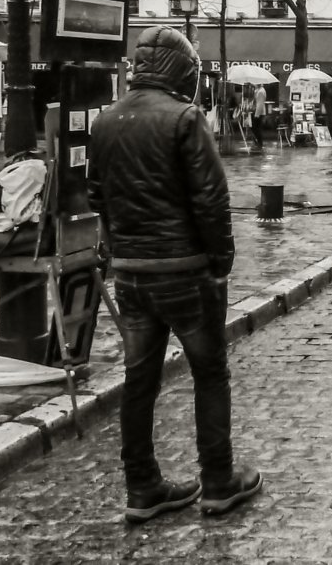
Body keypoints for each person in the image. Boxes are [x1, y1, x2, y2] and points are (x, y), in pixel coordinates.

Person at [86, 26, 261, 524]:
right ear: (182, 72)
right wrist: (220, 261)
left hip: (133, 272)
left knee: (138, 381)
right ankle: (218, 480)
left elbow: (97, 195)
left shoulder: (105, 121)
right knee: (209, 373)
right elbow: (211, 199)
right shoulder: (186, 118)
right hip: (185, 270)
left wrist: (119, 246)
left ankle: (142, 486)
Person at [251, 82, 269, 149]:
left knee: (256, 128)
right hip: (257, 111)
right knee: (255, 128)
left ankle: (259, 143)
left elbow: (260, 104)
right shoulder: (257, 90)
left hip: (259, 113)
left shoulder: (261, 91)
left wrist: (257, 114)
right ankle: (257, 142)